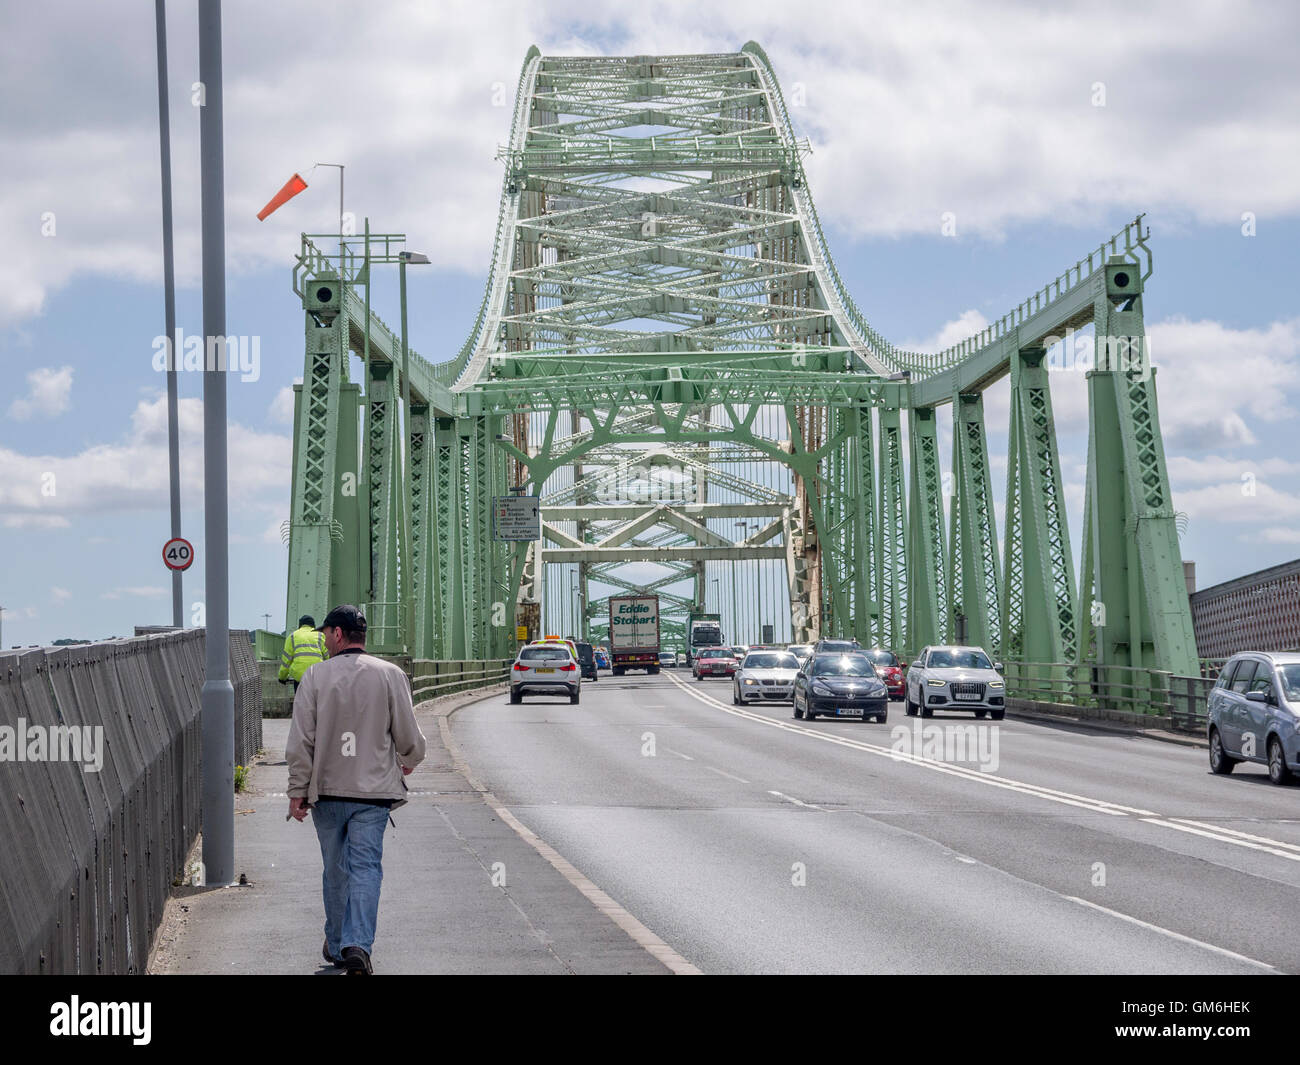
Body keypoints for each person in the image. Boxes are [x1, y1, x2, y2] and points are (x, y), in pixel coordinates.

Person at [284, 605, 426, 975]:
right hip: (373, 794)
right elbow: (409, 736)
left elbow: (301, 742)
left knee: (335, 870)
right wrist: (409, 758)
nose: (324, 639)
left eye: (326, 633)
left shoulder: (315, 677)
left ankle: (336, 942)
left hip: (328, 792)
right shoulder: (391, 675)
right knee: (365, 869)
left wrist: (297, 790)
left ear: (337, 634)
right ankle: (356, 944)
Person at [277, 615, 328, 692]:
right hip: (317, 677)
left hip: (300, 679)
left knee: (301, 703)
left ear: (300, 625)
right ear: (313, 625)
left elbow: (286, 661)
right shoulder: (320, 635)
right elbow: (329, 657)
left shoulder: (292, 637)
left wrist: (282, 677)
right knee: (318, 702)